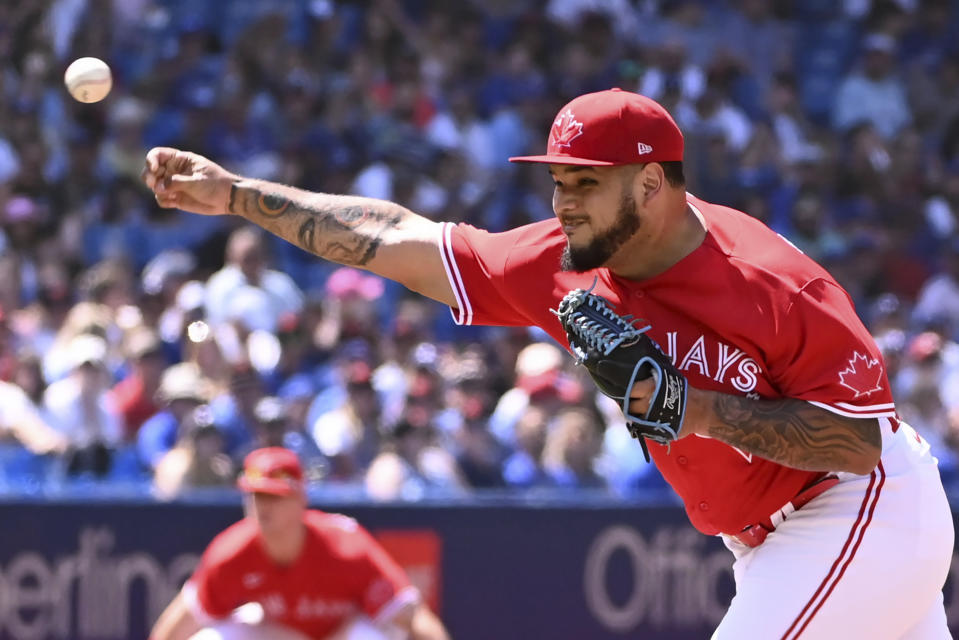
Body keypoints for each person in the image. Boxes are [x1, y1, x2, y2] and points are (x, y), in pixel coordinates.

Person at [143, 88, 954, 638]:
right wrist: (239, 194)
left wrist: (695, 410)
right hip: (766, 539)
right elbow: (394, 238)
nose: (561, 201)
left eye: (583, 183)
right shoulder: (558, 260)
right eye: (557, 180)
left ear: (649, 185)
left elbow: (857, 446)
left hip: (857, 509)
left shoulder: (773, 281)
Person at [149, 447, 450, 640]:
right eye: (255, 495)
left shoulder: (346, 548)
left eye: (273, 496)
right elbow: (176, 626)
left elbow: (414, 618)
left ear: (300, 499)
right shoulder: (232, 551)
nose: (262, 507)